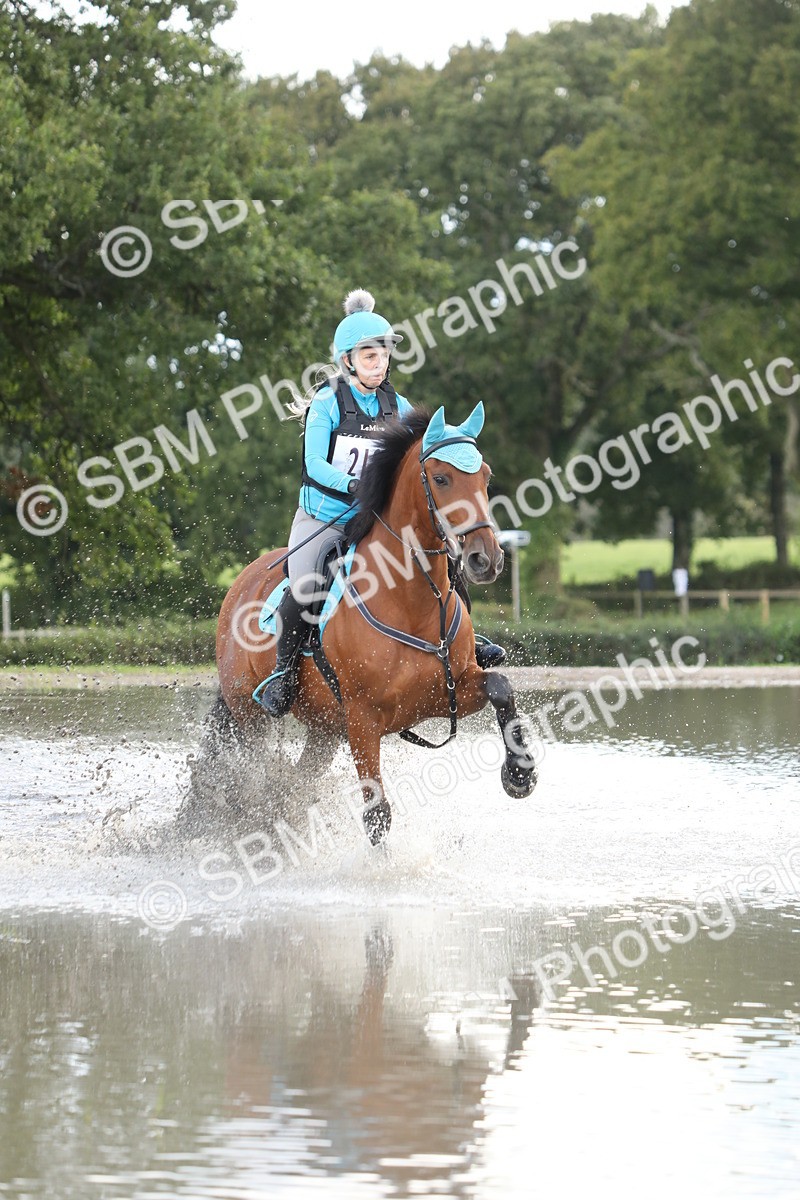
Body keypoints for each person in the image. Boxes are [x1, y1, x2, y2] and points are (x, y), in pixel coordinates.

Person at [258, 289, 505, 718]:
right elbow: (314, 463)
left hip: (378, 520)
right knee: (306, 581)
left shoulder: (399, 406)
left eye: (384, 355)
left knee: (446, 566)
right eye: (369, 356)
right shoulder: (327, 402)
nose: (379, 363)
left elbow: (426, 456)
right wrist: (353, 485)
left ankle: (468, 643)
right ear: (348, 360)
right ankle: (284, 674)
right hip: (325, 518)